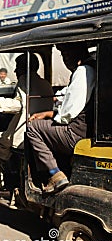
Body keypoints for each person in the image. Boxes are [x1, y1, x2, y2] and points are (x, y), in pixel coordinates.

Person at [27, 42, 95, 194]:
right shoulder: (92, 67)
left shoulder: (83, 71)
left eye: (65, 55)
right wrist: (52, 109)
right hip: (87, 129)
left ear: (73, 54)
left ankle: (55, 174)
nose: (65, 60)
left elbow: (67, 115)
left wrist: (50, 114)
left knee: (33, 128)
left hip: (76, 133)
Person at [0, 53, 54, 190]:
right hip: (43, 130)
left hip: (25, 131)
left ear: (24, 67)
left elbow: (18, 105)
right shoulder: (45, 83)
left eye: (18, 67)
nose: (15, 71)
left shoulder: (25, 80)